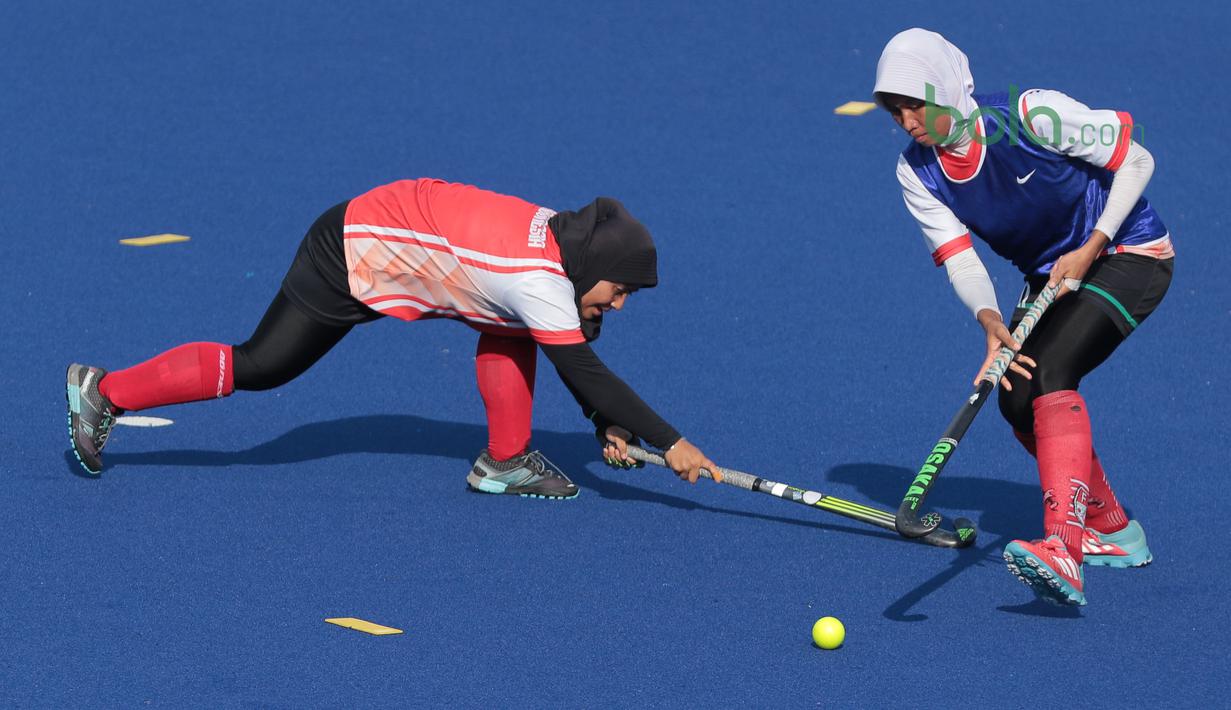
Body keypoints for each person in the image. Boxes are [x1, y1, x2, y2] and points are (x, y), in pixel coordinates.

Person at [66, 178, 723, 497]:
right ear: (595, 269)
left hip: (400, 232)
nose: (621, 302)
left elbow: (573, 352)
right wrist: (673, 442)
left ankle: (505, 460)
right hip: (352, 251)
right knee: (263, 365)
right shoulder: (536, 280)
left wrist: (606, 422)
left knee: (512, 329)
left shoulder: (562, 241)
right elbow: (585, 369)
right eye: (622, 289)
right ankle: (108, 392)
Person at [874, 29, 1172, 605]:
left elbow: (1137, 159)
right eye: (896, 108)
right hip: (1050, 278)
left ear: (949, 90)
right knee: (1016, 398)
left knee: (1053, 371)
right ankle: (1113, 530)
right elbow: (961, 261)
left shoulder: (1032, 116)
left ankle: (1064, 546)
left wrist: (1092, 246)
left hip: (1128, 252)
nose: (908, 120)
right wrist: (990, 321)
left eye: (918, 103)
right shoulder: (918, 173)